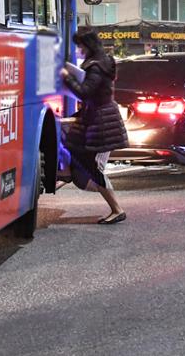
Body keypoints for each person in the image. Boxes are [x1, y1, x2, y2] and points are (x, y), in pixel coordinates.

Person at [59, 31, 129, 224]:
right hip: (97, 116)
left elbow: (85, 92)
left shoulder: (96, 66)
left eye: (81, 46)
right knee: (72, 146)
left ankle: (117, 209)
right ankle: (65, 173)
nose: (79, 50)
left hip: (100, 120)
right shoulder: (103, 61)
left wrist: (67, 77)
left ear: (88, 45)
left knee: (91, 164)